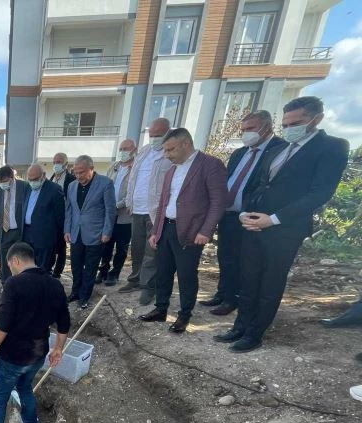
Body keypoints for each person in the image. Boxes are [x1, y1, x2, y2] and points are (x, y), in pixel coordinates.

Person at [215, 96, 349, 352]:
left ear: (316, 119)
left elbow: (319, 193)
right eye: (285, 124)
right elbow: (259, 185)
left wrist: (274, 219)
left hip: (284, 229)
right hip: (254, 224)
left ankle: (254, 333)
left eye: (295, 123)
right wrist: (246, 212)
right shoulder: (280, 149)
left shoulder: (332, 147)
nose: (288, 128)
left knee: (270, 283)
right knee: (248, 278)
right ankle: (240, 326)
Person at [0, 243, 70, 423]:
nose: (11, 270)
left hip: (13, 356)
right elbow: (64, 322)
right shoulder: (55, 284)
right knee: (25, 389)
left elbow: (2, 324)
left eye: (10, 266)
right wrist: (58, 348)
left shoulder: (14, 284)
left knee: (0, 397)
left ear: (15, 260)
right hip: (37, 354)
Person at [139, 128, 228, 333]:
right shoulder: (172, 170)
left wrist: (206, 231)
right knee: (163, 272)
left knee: (186, 275)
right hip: (166, 229)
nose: (167, 155)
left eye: (170, 150)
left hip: (191, 232)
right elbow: (164, 203)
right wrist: (156, 231)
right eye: (165, 150)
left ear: (186, 144)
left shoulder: (210, 164)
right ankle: (161, 309)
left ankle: (184, 315)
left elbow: (218, 201)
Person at [199, 111, 287, 316]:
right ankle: (223, 293)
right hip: (229, 214)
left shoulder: (279, 150)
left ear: (266, 127)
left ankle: (233, 299)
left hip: (254, 217)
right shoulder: (240, 153)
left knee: (243, 261)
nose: (246, 133)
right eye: (244, 129)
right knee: (225, 257)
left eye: (251, 128)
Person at [120, 118, 173, 305]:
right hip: (137, 209)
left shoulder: (169, 155)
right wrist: (129, 200)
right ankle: (135, 279)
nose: (154, 138)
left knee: (152, 251)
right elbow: (133, 179)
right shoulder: (143, 152)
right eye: (152, 135)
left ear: (168, 133)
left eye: (159, 135)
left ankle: (148, 287)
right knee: (137, 248)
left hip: (156, 211)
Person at [64, 155, 116, 310]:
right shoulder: (72, 186)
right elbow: (69, 210)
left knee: (91, 267)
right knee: (76, 265)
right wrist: (67, 229)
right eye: (75, 172)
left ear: (91, 169)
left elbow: (110, 210)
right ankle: (75, 292)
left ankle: (85, 296)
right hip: (76, 233)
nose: (78, 176)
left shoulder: (105, 183)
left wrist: (107, 231)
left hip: (96, 233)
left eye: (81, 172)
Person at [100, 139, 137, 287]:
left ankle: (114, 273)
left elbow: (133, 193)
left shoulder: (136, 168)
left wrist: (116, 205)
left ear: (134, 150)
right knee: (106, 244)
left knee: (121, 247)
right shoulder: (114, 167)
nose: (122, 152)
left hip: (124, 216)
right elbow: (104, 186)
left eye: (126, 149)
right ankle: (103, 270)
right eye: (121, 149)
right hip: (108, 215)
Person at [22, 163, 64, 274]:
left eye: (35, 179)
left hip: (44, 237)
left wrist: (56, 238)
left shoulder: (55, 190)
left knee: (43, 269)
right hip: (27, 234)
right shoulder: (27, 188)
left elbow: (60, 216)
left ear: (43, 175)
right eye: (30, 179)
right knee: (28, 267)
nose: (32, 182)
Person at [0, 165, 29, 281]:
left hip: (19, 231)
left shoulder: (24, 187)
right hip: (4, 231)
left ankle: (21, 281)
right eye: (0, 182)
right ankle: (6, 283)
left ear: (12, 177)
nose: (2, 184)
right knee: (5, 260)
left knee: (20, 257)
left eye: (5, 181)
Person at [49, 153, 75, 278]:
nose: (56, 164)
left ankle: (57, 272)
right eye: (54, 162)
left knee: (61, 245)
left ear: (65, 164)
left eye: (58, 162)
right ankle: (49, 267)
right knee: (50, 244)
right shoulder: (51, 179)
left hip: (65, 217)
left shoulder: (71, 179)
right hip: (51, 218)